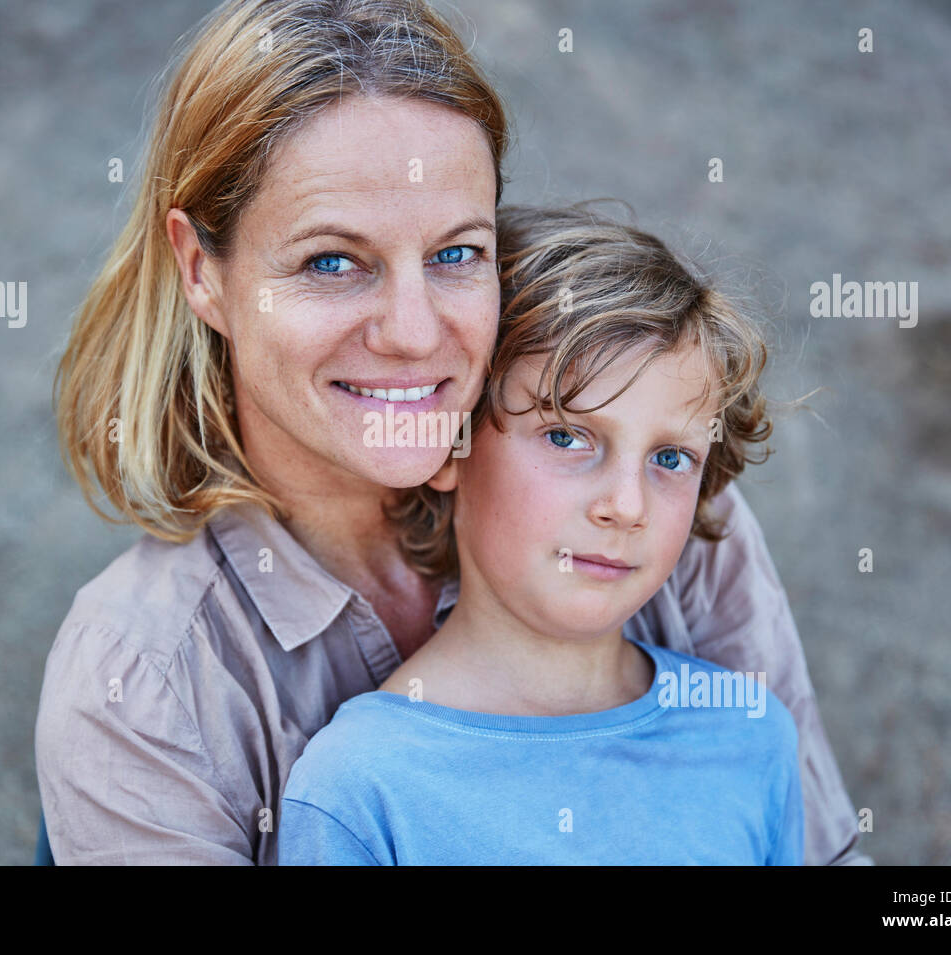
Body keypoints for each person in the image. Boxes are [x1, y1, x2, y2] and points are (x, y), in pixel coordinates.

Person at [35, 0, 867, 865]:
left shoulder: (678, 517)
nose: (413, 331)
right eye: (331, 261)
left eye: (455, 254)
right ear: (202, 270)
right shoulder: (141, 679)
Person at [277, 204, 803, 864]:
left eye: (670, 458)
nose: (626, 504)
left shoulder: (750, 739)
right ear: (448, 443)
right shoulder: (360, 787)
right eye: (566, 436)